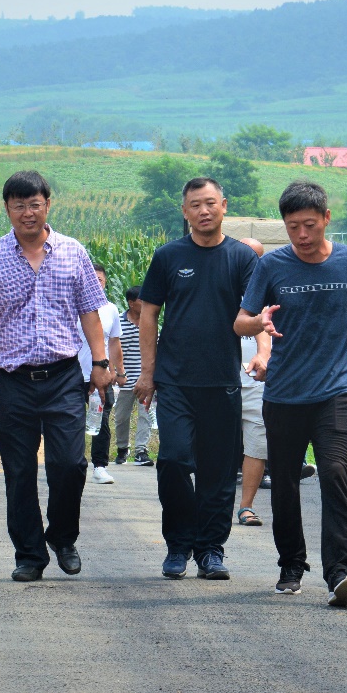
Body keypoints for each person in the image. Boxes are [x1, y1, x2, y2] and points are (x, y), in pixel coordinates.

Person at [0, 171, 113, 583]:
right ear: (7, 209)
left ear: (48, 205)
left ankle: (62, 536)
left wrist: (99, 362)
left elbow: (90, 312)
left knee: (69, 464)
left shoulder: (73, 252)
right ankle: (28, 554)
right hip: (11, 379)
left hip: (63, 376)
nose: (28, 212)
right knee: (19, 470)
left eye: (35, 204)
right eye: (19, 205)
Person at [235, 180, 347, 608]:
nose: (302, 235)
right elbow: (240, 322)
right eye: (293, 226)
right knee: (288, 484)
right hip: (283, 395)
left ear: (327, 219)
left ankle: (340, 573)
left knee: (335, 473)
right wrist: (260, 324)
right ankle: (292, 565)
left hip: (333, 392)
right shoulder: (272, 266)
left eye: (310, 225)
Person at [134, 177, 260, 581]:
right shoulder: (169, 256)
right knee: (172, 459)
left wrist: (265, 352)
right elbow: (149, 314)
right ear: (184, 211)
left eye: (210, 203)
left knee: (218, 471)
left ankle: (211, 550)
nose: (204, 211)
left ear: (224, 205)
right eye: (195, 205)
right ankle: (178, 544)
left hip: (222, 381)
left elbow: (255, 314)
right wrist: (147, 374)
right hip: (174, 381)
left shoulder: (242, 258)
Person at [234, 237, 269, 528]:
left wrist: (265, 354)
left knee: (257, 445)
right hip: (219, 380)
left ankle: (246, 506)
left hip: (257, 382)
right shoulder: (221, 286)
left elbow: (266, 330)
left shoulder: (270, 291)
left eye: (255, 258)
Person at [78, 262, 123, 485]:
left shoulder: (111, 309)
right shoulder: (72, 305)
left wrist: (118, 370)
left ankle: (100, 466)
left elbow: (114, 343)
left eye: (100, 280)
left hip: (101, 376)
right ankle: (74, 464)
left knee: (102, 421)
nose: (96, 283)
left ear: (105, 284)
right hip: (73, 375)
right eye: (92, 279)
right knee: (72, 422)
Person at [110, 286, 156, 467]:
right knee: (121, 416)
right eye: (141, 301)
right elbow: (112, 347)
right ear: (131, 303)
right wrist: (116, 372)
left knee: (145, 415)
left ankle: (141, 451)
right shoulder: (119, 322)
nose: (145, 304)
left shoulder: (150, 322)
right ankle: (122, 448)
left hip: (144, 379)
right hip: (124, 379)